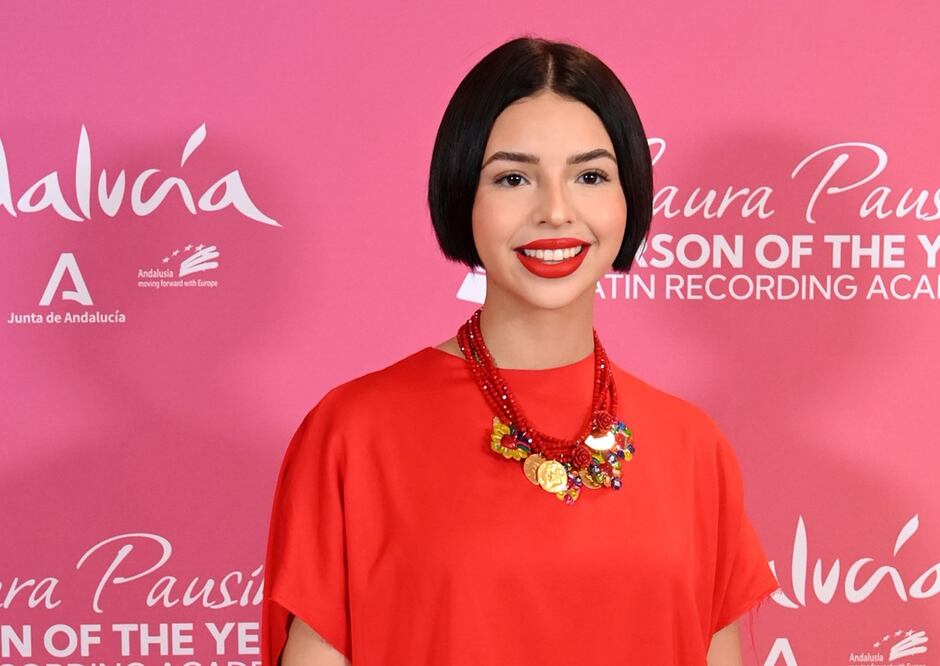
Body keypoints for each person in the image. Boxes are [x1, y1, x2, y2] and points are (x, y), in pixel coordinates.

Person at [260, 35, 779, 666]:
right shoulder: (353, 434)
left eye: (590, 175)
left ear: (629, 196)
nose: (556, 211)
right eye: (513, 177)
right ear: (462, 196)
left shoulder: (695, 450)